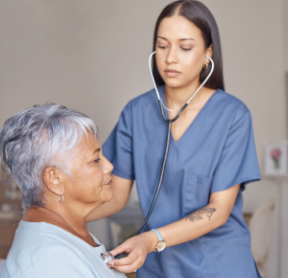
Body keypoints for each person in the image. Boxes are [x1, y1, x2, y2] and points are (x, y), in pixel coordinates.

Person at [87, 1, 262, 277]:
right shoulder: (136, 113)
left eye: (185, 47)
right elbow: (116, 197)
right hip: (159, 266)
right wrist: (59, 218)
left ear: (208, 53)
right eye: (163, 45)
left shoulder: (233, 115)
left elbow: (218, 209)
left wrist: (150, 239)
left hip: (220, 265)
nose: (170, 58)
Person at [0, 104, 126, 278]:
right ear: (55, 179)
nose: (109, 166)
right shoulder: (47, 261)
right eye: (96, 159)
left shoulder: (68, 233)